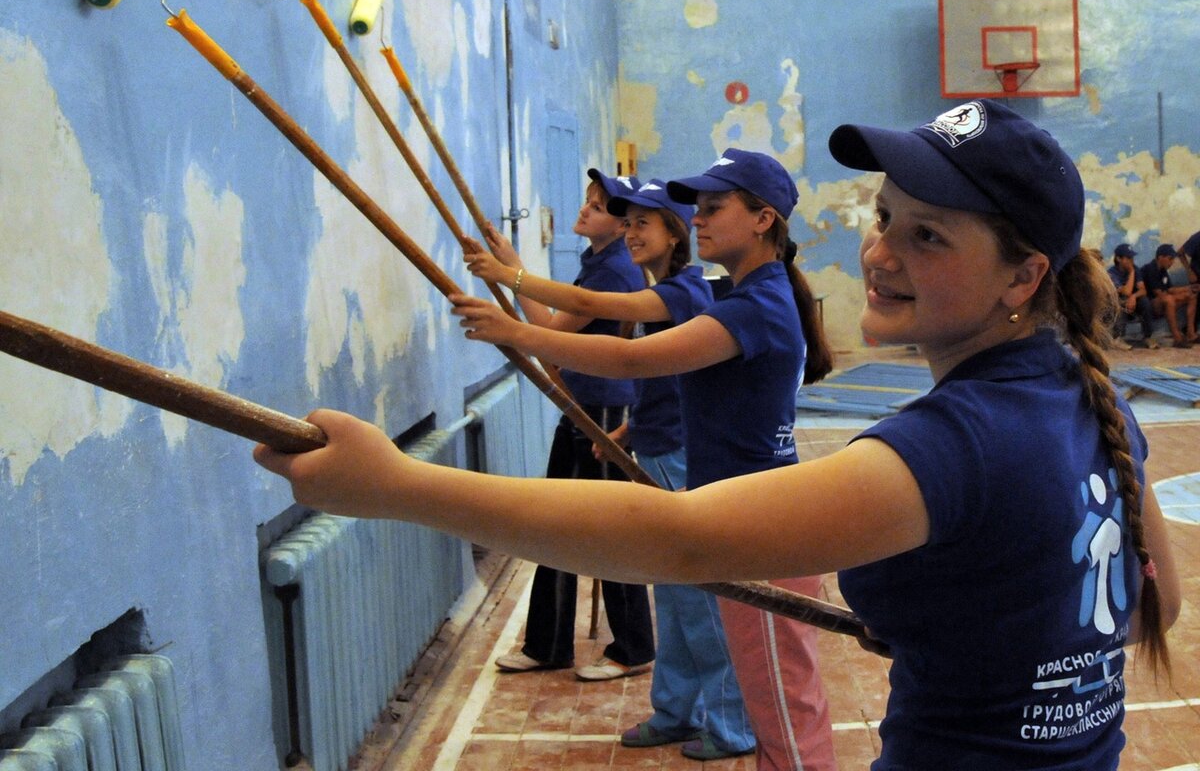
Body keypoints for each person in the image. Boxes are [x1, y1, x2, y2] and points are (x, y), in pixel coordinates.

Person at [255, 101, 1180, 770]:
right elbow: (1157, 607)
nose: (880, 251)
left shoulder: (952, 443)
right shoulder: (1093, 402)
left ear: (1022, 278)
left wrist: (397, 486)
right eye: (883, 217)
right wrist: (986, 632)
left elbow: (679, 537)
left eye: (929, 237)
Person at [456, 148, 838, 769]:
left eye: (714, 208)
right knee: (732, 650)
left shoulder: (753, 306)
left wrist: (518, 329)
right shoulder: (742, 293)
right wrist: (515, 284)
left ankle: (727, 721)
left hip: (757, 515)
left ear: (764, 219)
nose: (701, 219)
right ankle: (684, 708)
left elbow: (634, 359)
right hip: (728, 504)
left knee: (782, 700)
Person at [482, 167, 656, 682]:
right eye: (587, 200)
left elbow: (551, 329)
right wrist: (511, 269)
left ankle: (633, 645)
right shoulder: (598, 261)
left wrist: (508, 274)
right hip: (582, 403)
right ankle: (549, 642)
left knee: (606, 529)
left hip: (602, 410)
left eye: (597, 207)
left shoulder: (616, 271)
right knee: (553, 524)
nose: (584, 210)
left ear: (623, 225)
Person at [1138, 243, 1198, 348]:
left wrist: (1189, 288)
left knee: (1191, 295)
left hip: (1163, 302)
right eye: (1170, 259)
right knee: (1169, 299)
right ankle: (1177, 338)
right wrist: (1179, 296)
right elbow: (1160, 294)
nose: (1172, 262)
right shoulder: (1150, 269)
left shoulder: (1163, 271)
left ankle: (1190, 334)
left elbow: (1170, 289)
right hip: (1150, 307)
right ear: (1160, 257)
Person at [1107, 243, 1158, 348]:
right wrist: (1131, 273)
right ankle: (1117, 338)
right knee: (1121, 301)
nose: (1132, 260)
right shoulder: (1112, 273)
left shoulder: (1135, 269)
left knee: (1144, 301)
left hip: (1132, 304)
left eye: (1132, 257)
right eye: (1128, 258)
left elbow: (1143, 290)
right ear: (1119, 259)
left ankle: (1148, 336)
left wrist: (1133, 297)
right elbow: (1126, 292)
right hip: (1117, 306)